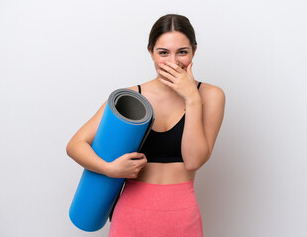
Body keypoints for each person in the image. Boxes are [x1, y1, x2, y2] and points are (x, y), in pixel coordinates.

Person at [66, 13, 225, 237]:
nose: (173, 62)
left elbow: (193, 160)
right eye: (163, 53)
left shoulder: (210, 95)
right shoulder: (131, 97)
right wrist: (110, 169)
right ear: (150, 52)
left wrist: (192, 98)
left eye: (182, 52)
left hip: (182, 218)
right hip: (131, 216)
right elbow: (75, 145)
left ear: (194, 51)